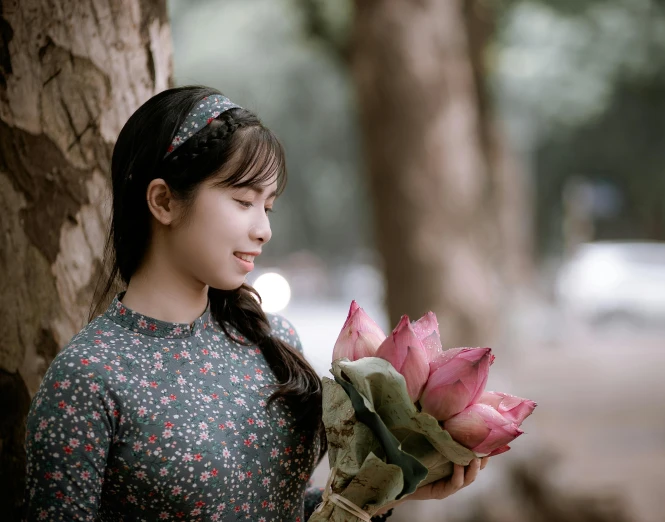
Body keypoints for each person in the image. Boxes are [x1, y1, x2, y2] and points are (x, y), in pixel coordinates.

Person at [24, 86, 487, 521]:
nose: (264, 230)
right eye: (243, 200)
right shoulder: (87, 379)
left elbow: (287, 507)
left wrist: (392, 487)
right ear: (163, 201)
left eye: (268, 207)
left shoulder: (272, 340)